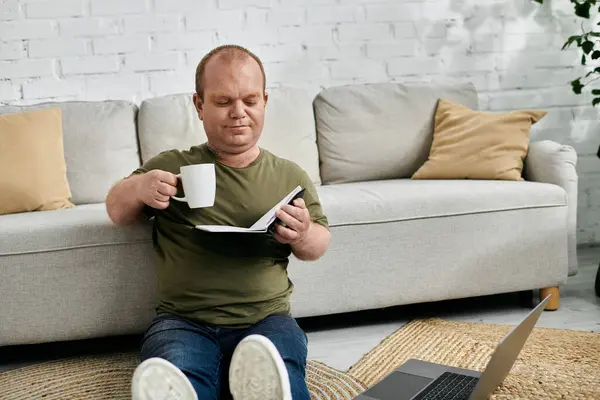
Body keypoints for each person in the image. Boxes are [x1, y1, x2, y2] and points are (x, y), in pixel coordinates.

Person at [105, 44, 331, 400]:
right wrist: (138, 188)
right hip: (183, 320)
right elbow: (116, 210)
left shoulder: (289, 176)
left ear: (265, 101)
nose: (238, 113)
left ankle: (270, 390)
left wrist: (301, 233)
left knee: (281, 359)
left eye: (250, 101)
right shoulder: (172, 166)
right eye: (223, 102)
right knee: (176, 363)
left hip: (267, 318)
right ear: (199, 105)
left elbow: (318, 246)